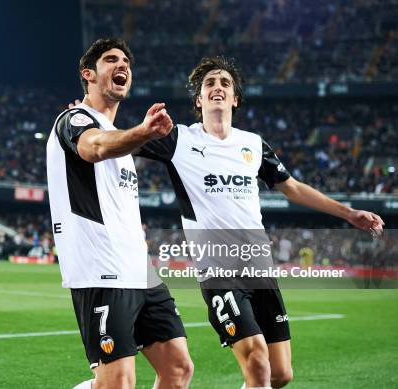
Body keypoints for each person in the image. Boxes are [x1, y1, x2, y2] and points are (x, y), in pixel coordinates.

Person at [136, 56, 385, 389]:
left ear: (235, 98)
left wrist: (348, 212)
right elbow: (123, 145)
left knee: (281, 374)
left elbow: (292, 187)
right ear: (198, 100)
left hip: (261, 269)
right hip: (219, 271)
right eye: (209, 83)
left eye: (225, 82)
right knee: (257, 361)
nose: (218, 87)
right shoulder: (178, 139)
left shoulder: (252, 144)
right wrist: (92, 119)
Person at [47, 38, 193, 389]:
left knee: (178, 368)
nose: (122, 65)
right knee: (118, 383)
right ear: (89, 74)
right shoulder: (73, 119)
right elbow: (94, 147)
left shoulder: (121, 139)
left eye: (126, 60)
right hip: (101, 269)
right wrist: (143, 131)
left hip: (139, 270)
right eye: (111, 59)